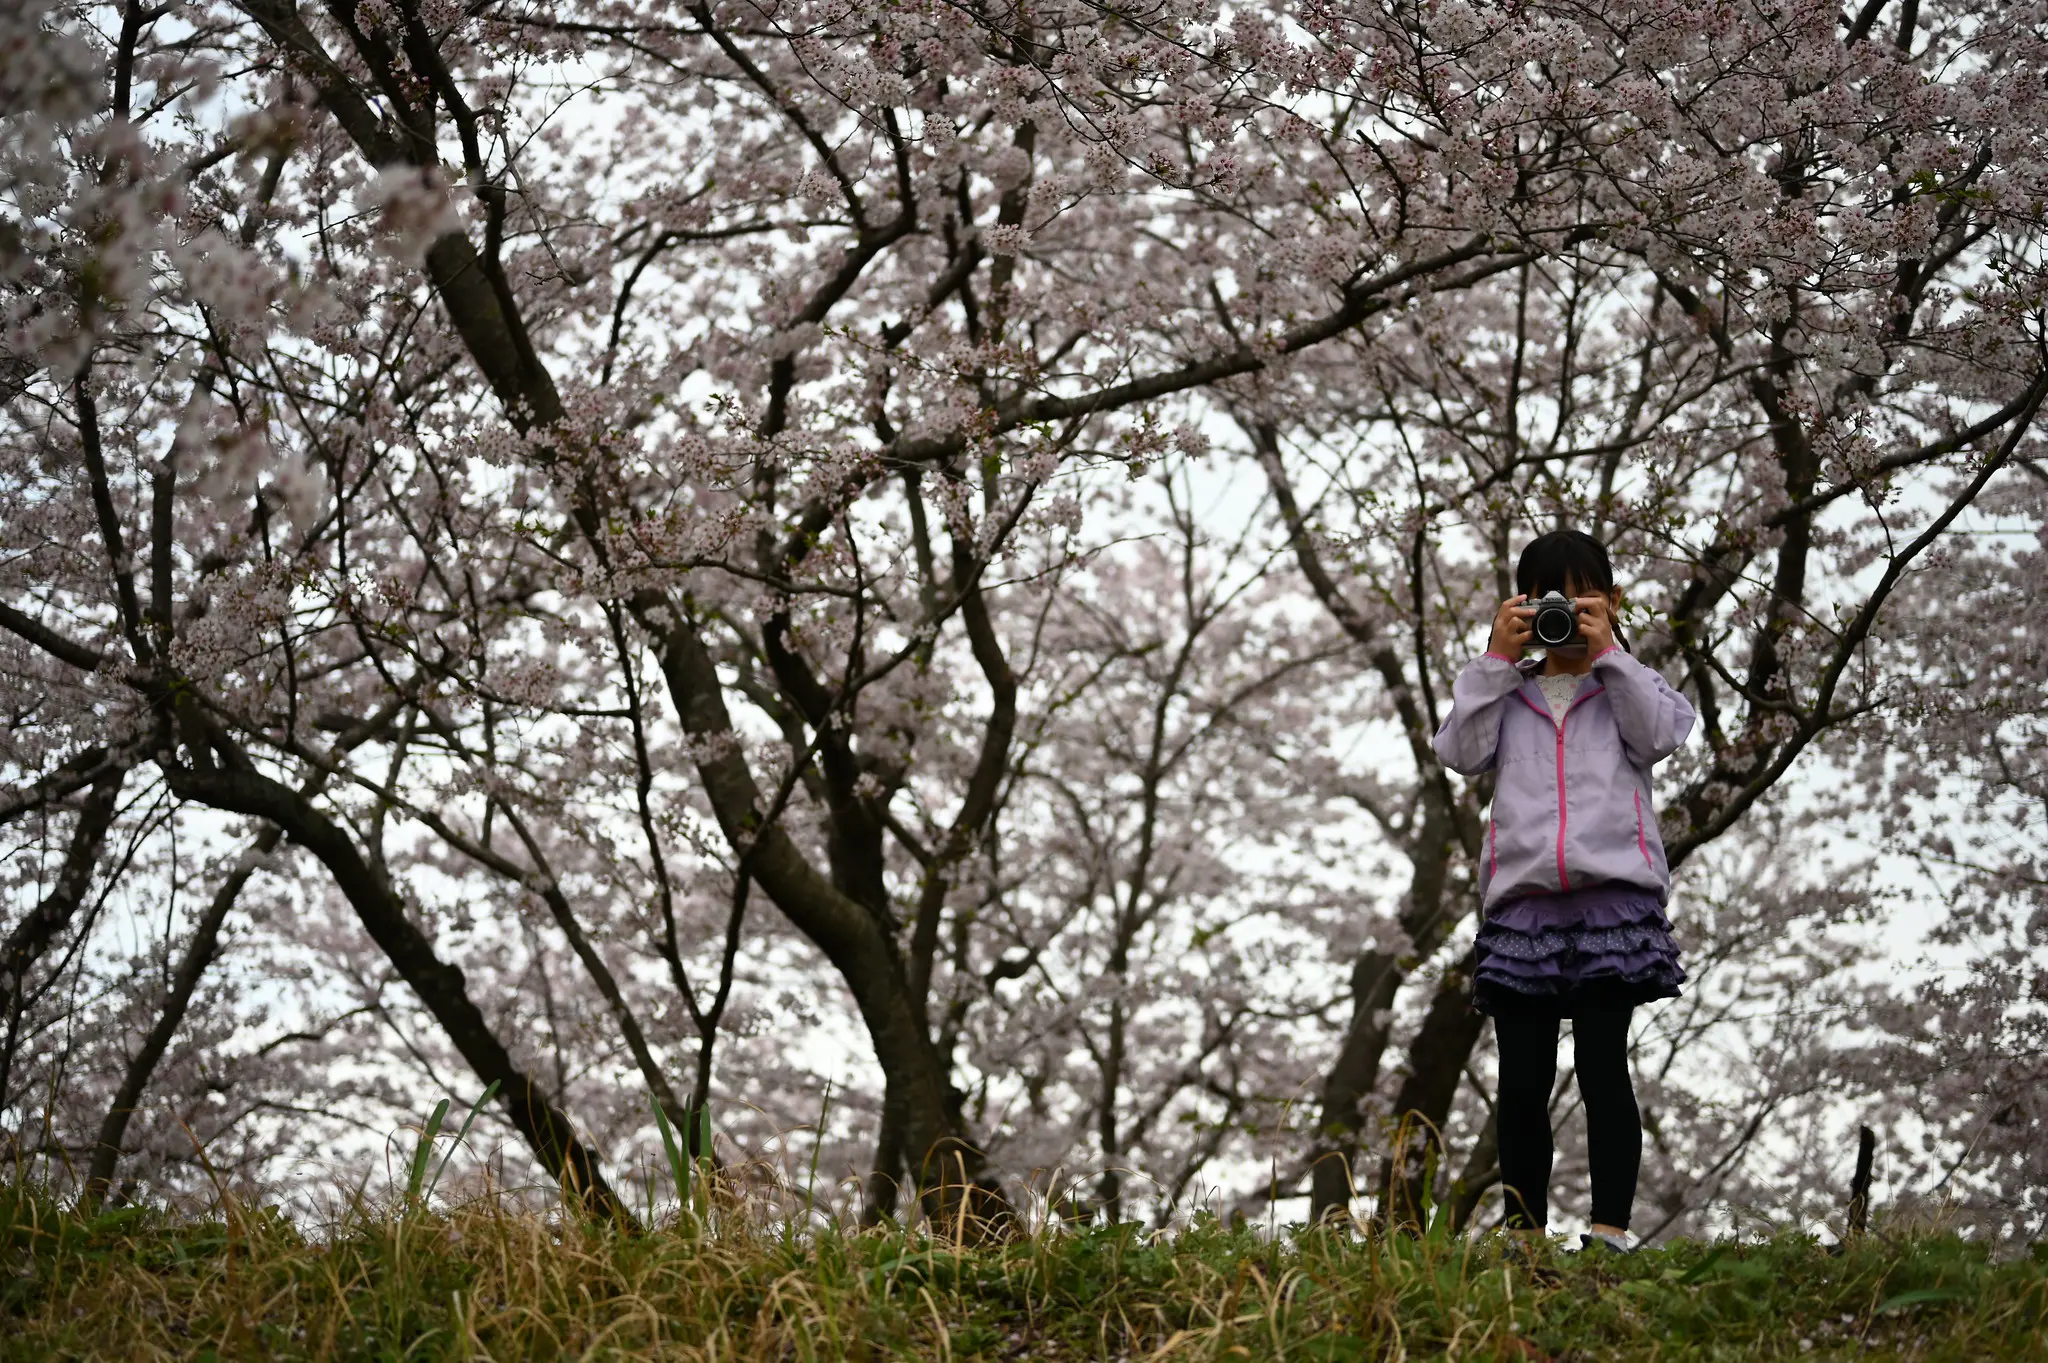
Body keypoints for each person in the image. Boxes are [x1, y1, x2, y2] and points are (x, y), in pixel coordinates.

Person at [1431, 530, 1695, 1252]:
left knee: (1604, 1067)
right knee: (1521, 1078)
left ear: (1612, 601)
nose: (1568, 616)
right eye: (1552, 601)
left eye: (1584, 600)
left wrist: (1610, 653)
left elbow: (1664, 734)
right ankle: (1524, 1237)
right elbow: (1457, 750)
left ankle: (1609, 1232)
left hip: (1612, 903)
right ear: (1522, 606)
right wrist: (1495, 659)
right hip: (1524, 908)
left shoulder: (1629, 687)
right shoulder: (1506, 693)